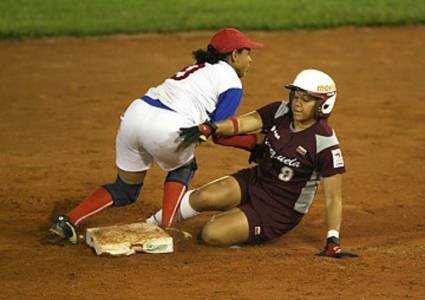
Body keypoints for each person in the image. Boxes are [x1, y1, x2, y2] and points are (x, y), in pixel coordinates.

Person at [50, 28, 263, 244]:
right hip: (167, 125)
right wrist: (253, 144)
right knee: (183, 168)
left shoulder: (199, 68)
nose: (251, 59)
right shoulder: (232, 82)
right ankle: (166, 228)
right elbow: (220, 132)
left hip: (135, 115)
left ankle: (68, 220)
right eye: (247, 53)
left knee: (125, 189)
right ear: (234, 55)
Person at [147, 69, 358, 258]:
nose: (297, 102)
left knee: (211, 234)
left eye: (306, 98)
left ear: (323, 104)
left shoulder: (325, 144)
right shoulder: (280, 112)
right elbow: (243, 123)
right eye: (295, 94)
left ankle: (240, 225)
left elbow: (333, 198)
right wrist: (211, 127)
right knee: (204, 196)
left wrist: (333, 240)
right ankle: (152, 224)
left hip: (278, 210)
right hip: (256, 180)